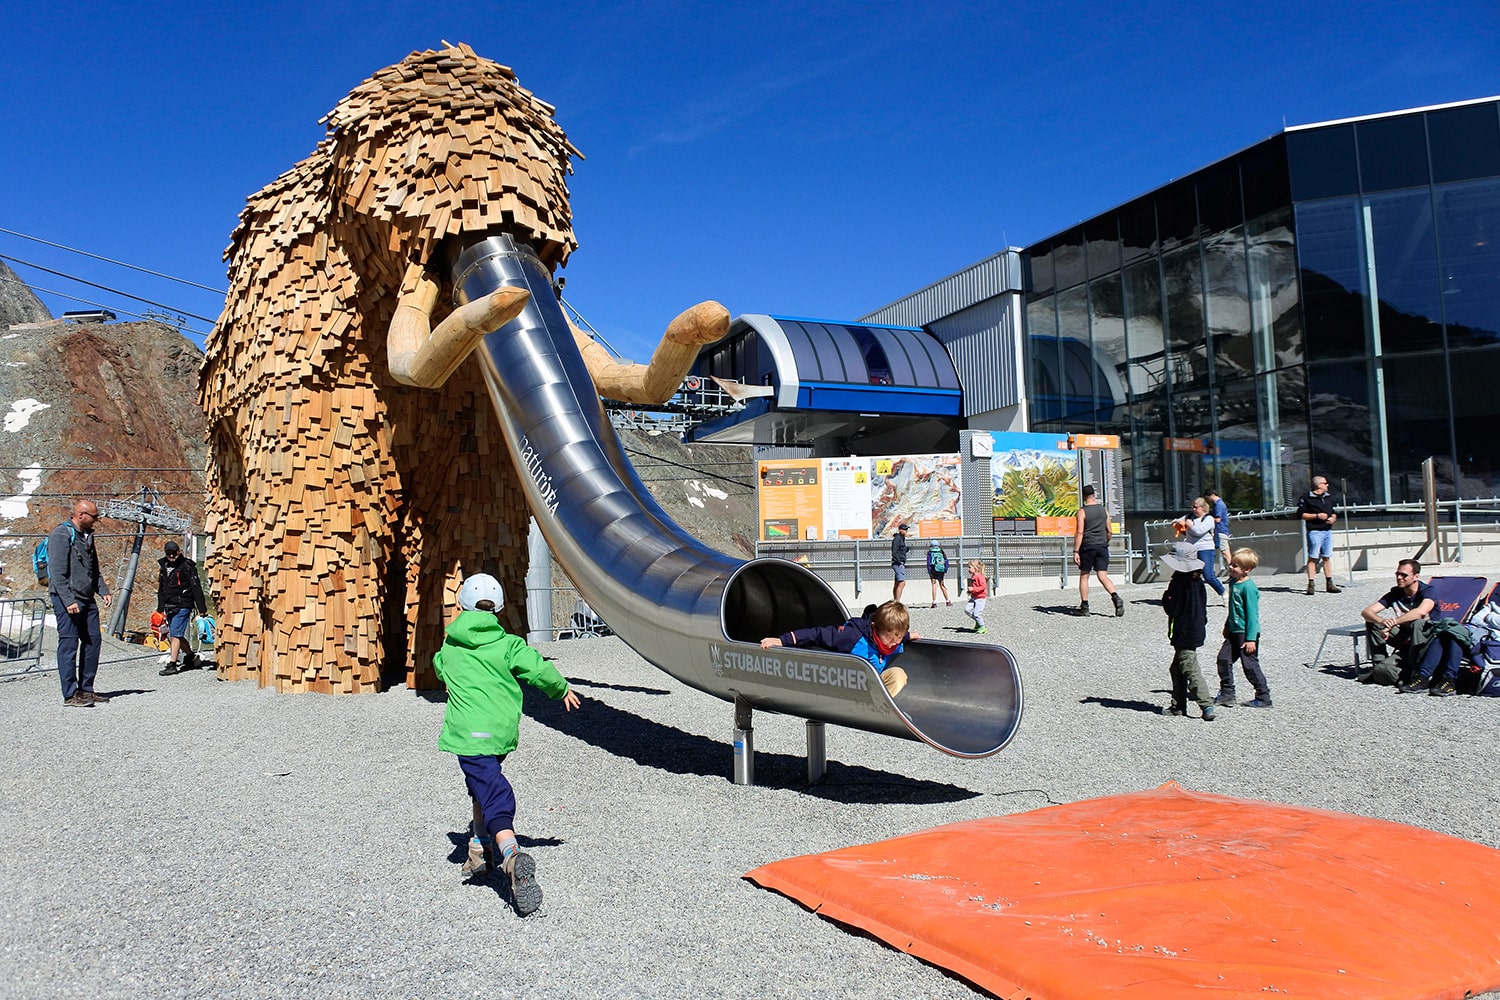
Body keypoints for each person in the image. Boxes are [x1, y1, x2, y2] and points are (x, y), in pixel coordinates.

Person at [434, 572, 581, 916]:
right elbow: (536, 667)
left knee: (492, 793)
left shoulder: (449, 647)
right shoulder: (508, 644)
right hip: (499, 732)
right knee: (481, 786)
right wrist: (560, 689)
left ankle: (511, 856)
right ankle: (478, 848)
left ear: (463, 605)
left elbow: (439, 668)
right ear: (498, 608)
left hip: (467, 734)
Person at [761, 600, 917, 697]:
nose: (891, 644)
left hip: (871, 687)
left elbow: (898, 636)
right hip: (848, 686)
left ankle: (883, 708)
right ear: (875, 628)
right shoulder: (851, 636)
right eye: (889, 639)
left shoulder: (895, 639)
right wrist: (783, 640)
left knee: (898, 674)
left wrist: (909, 636)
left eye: (897, 639)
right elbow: (817, 634)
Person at [47, 499, 113, 708]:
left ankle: (87, 689)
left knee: (93, 640)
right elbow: (57, 574)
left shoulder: (88, 536)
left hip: (87, 598)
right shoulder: (60, 535)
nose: (97, 520)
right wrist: (68, 600)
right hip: (68, 599)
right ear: (81, 515)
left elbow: (94, 569)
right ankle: (70, 694)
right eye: (94, 516)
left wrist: (102, 590)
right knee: (68, 644)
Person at [1159, 545, 1215, 721]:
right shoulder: (1198, 582)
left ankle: (1206, 705)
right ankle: (1178, 705)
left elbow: (1172, 609)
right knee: (1177, 669)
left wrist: (1166, 597)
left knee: (1190, 669)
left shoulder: (1178, 583)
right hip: (1196, 630)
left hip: (1183, 633)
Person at [1358, 559, 1435, 686]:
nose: (1399, 578)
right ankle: (1379, 664)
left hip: (1424, 641)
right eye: (1397, 574)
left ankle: (1413, 672)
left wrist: (1393, 623)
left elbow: (1420, 613)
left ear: (1416, 576)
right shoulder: (1397, 593)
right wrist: (1383, 621)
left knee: (1417, 623)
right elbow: (1366, 612)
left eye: (1404, 575)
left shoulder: (1428, 591)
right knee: (1373, 622)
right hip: (1405, 638)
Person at [1213, 547, 1271, 709]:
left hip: (1246, 633)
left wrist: (1251, 638)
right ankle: (1227, 693)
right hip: (1233, 631)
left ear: (1247, 570)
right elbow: (1233, 609)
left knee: (1250, 665)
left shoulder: (1248, 588)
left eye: (1235, 566)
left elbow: (1252, 615)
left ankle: (1263, 696)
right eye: (1231, 564)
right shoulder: (1233, 583)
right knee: (1223, 659)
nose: (1231, 568)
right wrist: (1227, 625)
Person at [156, 540, 208, 676]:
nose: (172, 556)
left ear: (179, 552)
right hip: (169, 605)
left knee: (175, 634)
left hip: (183, 604)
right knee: (176, 633)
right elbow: (161, 588)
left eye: (174, 553)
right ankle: (191, 657)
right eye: (169, 554)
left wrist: (202, 608)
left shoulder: (187, 567)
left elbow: (196, 587)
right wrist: (160, 608)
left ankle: (172, 664)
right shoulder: (163, 566)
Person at [1073, 484, 1125, 617]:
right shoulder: (1104, 510)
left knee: (1084, 576)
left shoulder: (1082, 512)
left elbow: (1080, 532)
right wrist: (1105, 542)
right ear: (1094, 495)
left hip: (1087, 546)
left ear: (1083, 496)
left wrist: (1076, 551)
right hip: (1102, 546)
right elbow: (1110, 531)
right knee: (1103, 576)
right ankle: (1115, 597)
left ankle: (1085, 607)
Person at [1297, 476, 1342, 595]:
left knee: (1326, 556)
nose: (1327, 485)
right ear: (1318, 485)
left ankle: (1329, 583)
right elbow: (1301, 514)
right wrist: (1317, 516)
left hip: (1327, 530)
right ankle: (1311, 583)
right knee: (1313, 557)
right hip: (1315, 531)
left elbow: (1333, 512)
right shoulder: (1306, 498)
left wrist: (1333, 518)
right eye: (1325, 483)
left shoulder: (1327, 498)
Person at [1172, 497, 1225, 597]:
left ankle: (1223, 593)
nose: (1193, 509)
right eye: (1192, 507)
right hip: (1191, 549)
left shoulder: (1208, 519)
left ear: (1203, 508)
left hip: (1205, 549)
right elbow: (1175, 521)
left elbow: (1199, 531)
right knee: (1188, 574)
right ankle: (1190, 596)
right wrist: (1179, 522)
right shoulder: (1189, 516)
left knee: (1208, 575)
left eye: (1196, 507)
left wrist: (1190, 526)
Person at [1205, 487, 1231, 572]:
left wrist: (1207, 517)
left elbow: (1217, 519)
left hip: (1220, 531)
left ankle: (1233, 572)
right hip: (1221, 531)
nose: (1207, 500)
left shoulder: (1218, 505)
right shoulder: (1220, 504)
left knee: (1225, 552)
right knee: (1224, 552)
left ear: (1212, 495)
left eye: (1207, 498)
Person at [964, 559, 989, 635]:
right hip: (974, 597)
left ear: (976, 568)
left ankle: (983, 627)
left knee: (977, 613)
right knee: (967, 610)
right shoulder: (973, 576)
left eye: (970, 567)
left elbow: (983, 587)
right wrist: (970, 591)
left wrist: (973, 589)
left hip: (980, 598)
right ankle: (978, 621)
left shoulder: (980, 577)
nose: (968, 569)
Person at [926, 539, 952, 608]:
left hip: (933, 570)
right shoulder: (941, 551)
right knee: (942, 585)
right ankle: (948, 601)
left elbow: (928, 562)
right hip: (941, 570)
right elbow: (946, 561)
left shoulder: (930, 552)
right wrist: (945, 569)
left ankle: (934, 602)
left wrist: (929, 571)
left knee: (934, 586)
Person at [890, 523, 909, 601]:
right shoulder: (897, 538)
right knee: (902, 583)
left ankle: (895, 601)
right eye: (904, 529)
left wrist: (906, 549)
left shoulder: (902, 538)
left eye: (906, 530)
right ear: (900, 530)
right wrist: (899, 562)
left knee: (897, 583)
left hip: (899, 562)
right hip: (898, 563)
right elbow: (894, 552)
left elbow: (900, 550)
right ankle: (897, 602)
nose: (906, 531)